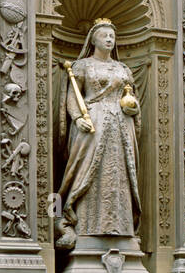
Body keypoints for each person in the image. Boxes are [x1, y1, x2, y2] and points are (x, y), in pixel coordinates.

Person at [56, 18, 141, 238]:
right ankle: (73, 222)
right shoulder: (82, 66)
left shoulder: (123, 68)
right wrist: (77, 118)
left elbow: (130, 95)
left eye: (112, 36)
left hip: (121, 126)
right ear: (93, 39)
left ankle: (122, 227)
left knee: (120, 173)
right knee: (85, 171)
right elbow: (73, 97)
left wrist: (133, 107)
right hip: (92, 124)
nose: (109, 39)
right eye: (105, 35)